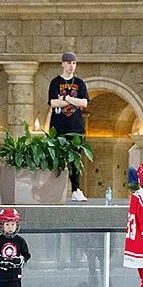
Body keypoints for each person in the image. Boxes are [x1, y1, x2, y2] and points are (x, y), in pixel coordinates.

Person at [48, 51, 90, 201]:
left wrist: (65, 98)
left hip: (76, 127)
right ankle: (55, 190)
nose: (71, 66)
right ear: (63, 64)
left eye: (73, 63)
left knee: (75, 159)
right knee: (57, 158)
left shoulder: (79, 83)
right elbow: (53, 103)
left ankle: (76, 189)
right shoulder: (55, 82)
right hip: (58, 126)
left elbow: (84, 103)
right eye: (68, 63)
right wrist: (74, 100)